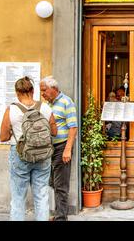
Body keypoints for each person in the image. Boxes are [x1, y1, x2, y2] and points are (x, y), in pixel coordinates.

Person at [0, 76, 57, 221]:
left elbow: (3, 137)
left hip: (20, 155)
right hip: (43, 155)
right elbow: (54, 132)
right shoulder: (45, 108)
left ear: (17, 92)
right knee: (42, 196)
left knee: (18, 198)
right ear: (32, 90)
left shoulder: (11, 110)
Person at [40, 76, 78, 221]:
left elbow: (73, 128)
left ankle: (61, 217)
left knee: (61, 185)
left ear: (53, 89)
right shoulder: (48, 105)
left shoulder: (66, 102)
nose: (42, 93)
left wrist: (67, 149)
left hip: (62, 146)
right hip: (50, 148)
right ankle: (57, 214)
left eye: (44, 90)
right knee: (52, 182)